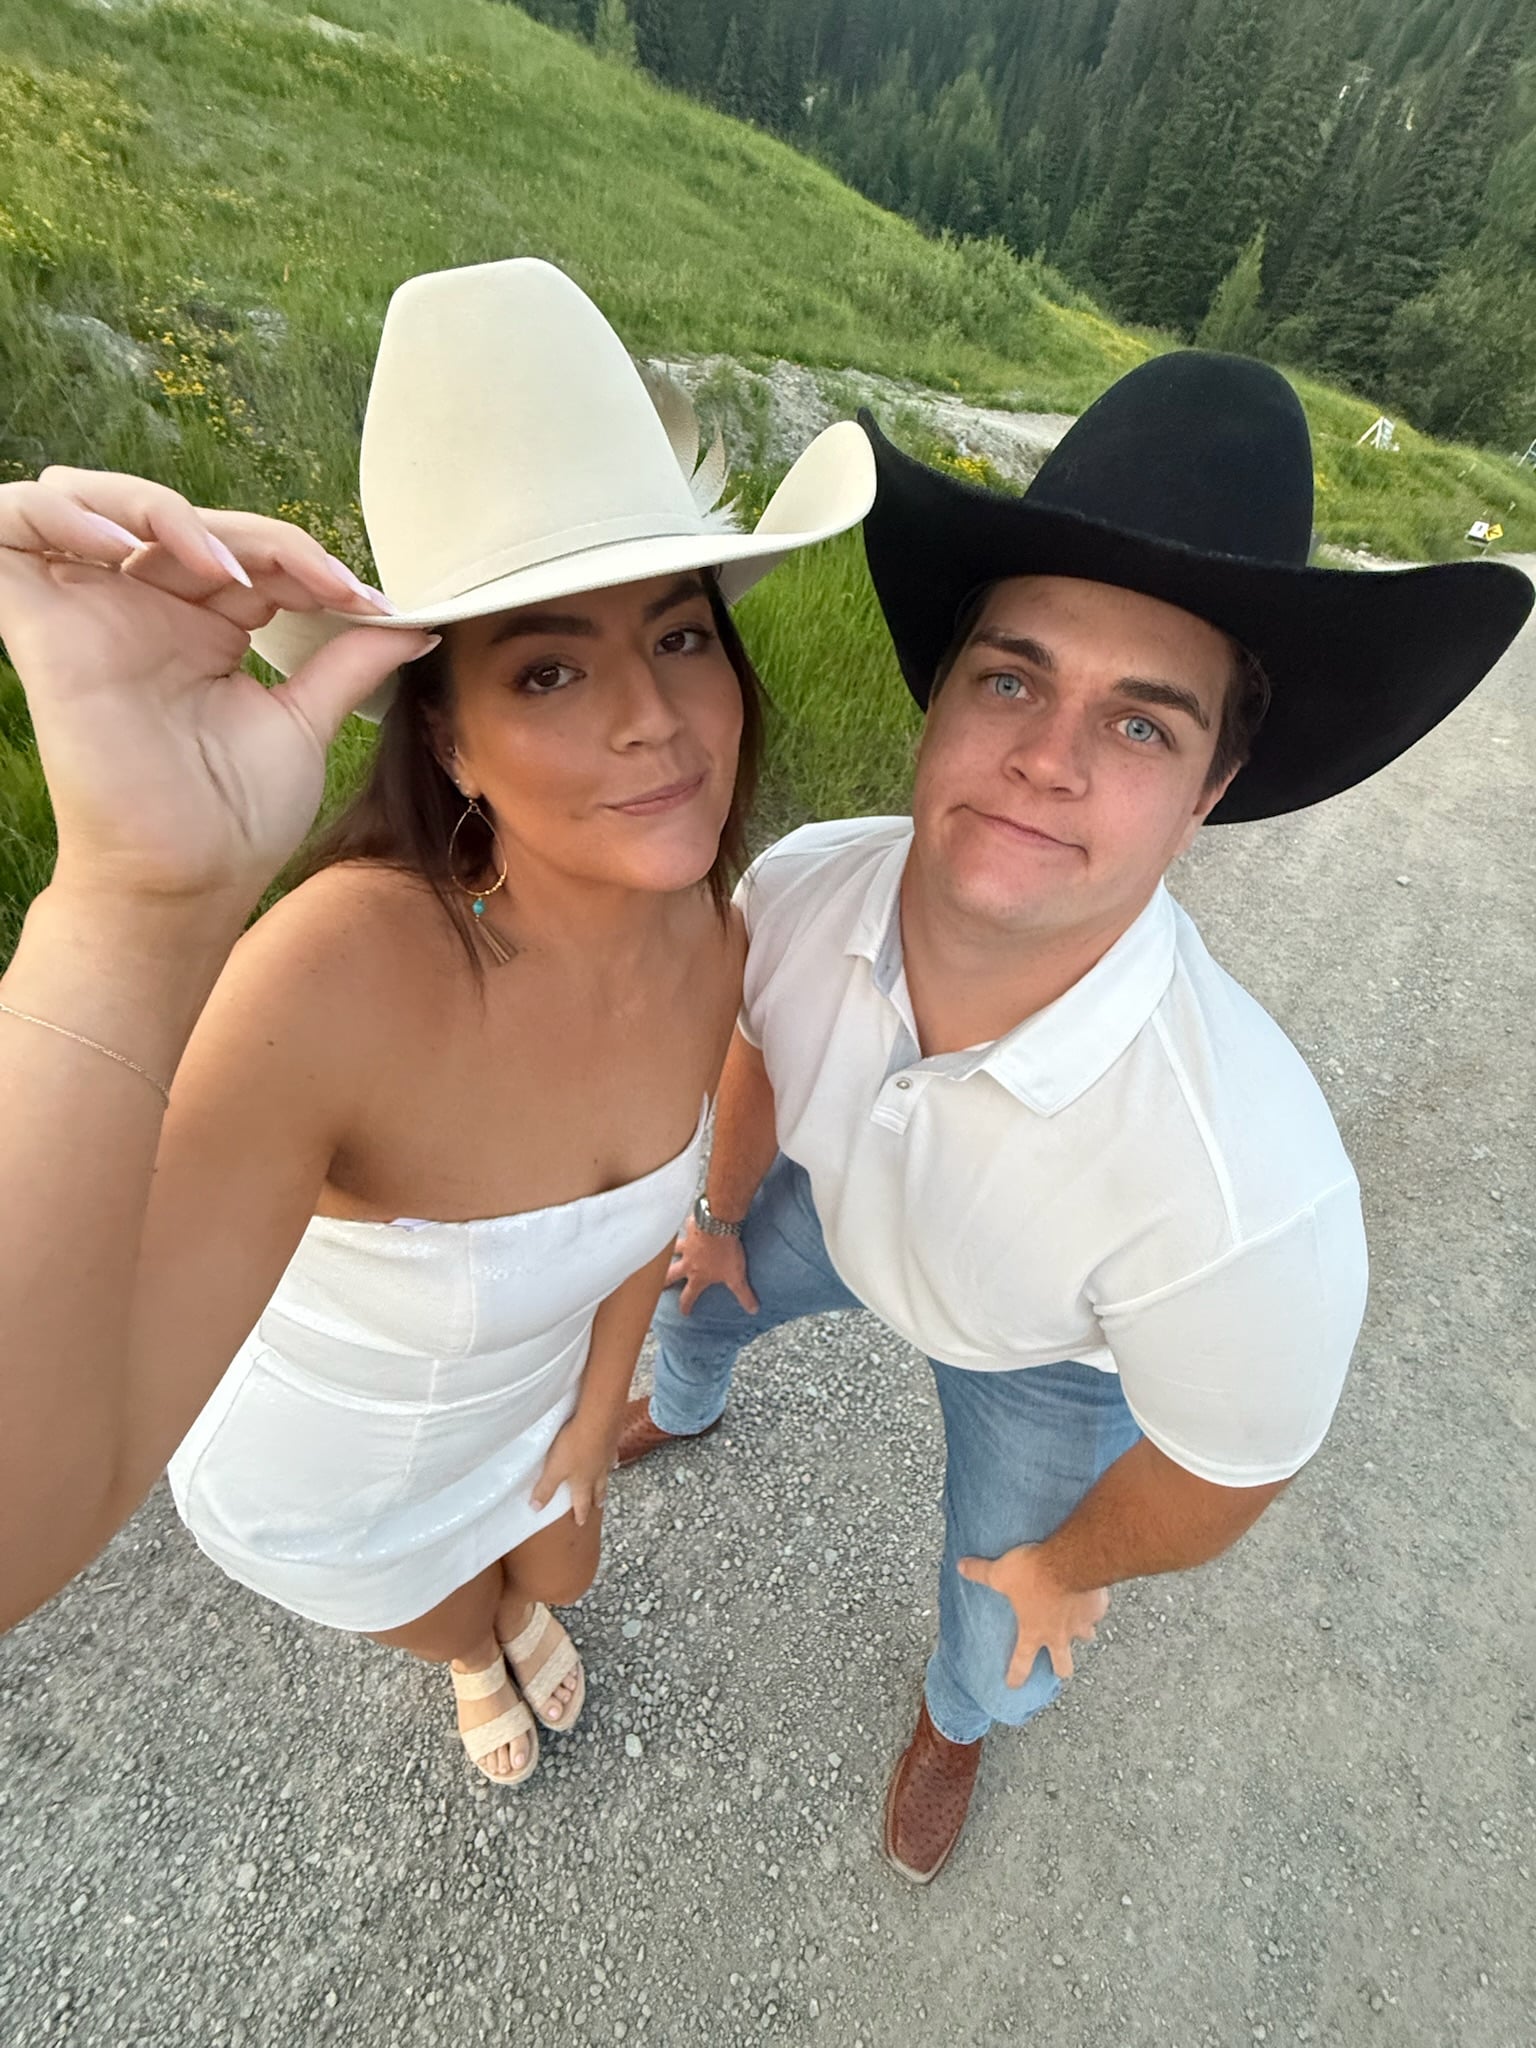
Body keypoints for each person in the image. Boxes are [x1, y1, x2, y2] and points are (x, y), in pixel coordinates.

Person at [617, 352, 1534, 1877]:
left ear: (1213, 786)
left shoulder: (1248, 1192)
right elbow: (762, 1048)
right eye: (1014, 677)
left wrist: (1068, 1561)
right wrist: (718, 1212)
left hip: (1040, 1357)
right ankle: (690, 1399)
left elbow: (1227, 1475)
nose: (1046, 756)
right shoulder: (796, 889)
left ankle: (956, 1720)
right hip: (839, 1208)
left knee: (1009, 1617)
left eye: (1139, 726)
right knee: (700, 1299)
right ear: (942, 692)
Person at [0, 258, 874, 1787]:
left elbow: (631, 1234)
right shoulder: (341, 979)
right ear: (450, 740)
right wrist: (131, 903)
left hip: (532, 1420)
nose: (652, 718)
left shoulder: (718, 941)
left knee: (563, 1576)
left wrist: (599, 1422)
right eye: (549, 664)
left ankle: (503, 1614)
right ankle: (463, 1647)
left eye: (678, 636)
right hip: (324, 1476)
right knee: (463, 1614)